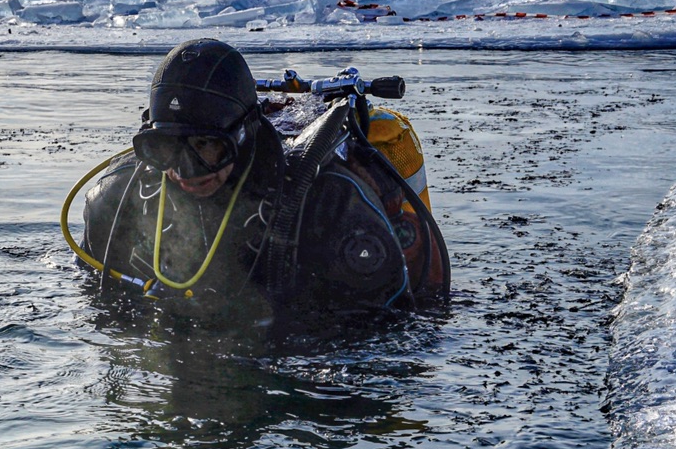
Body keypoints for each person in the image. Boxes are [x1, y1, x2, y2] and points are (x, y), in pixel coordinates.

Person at [76, 39, 447, 321]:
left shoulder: (330, 208)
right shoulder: (116, 203)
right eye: (165, 147)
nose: (183, 171)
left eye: (206, 147)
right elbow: (98, 304)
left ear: (244, 134)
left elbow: (389, 338)